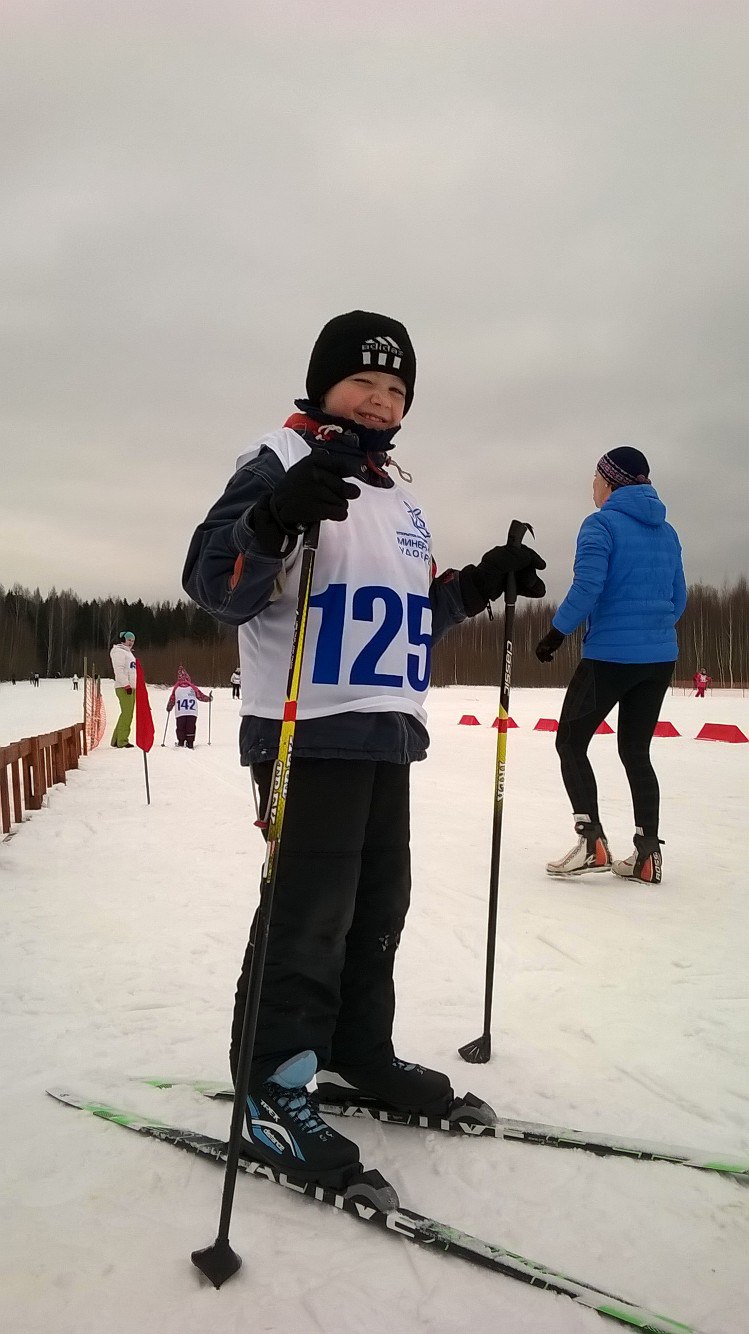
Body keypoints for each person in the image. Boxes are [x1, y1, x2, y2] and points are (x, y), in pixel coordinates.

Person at [183, 309, 546, 1186]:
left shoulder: (396, 491)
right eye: (363, 382)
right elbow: (213, 582)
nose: (380, 400)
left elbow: (408, 612)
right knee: (308, 913)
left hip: (385, 728)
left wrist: (476, 584)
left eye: (395, 388)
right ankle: (273, 1085)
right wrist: (271, 520)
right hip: (305, 728)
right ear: (323, 385)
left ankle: (355, 1052)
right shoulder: (278, 460)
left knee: (377, 905)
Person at [535, 446, 687, 886]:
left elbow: (588, 587)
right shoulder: (667, 531)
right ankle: (647, 855)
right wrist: (652, 630)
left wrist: (556, 633)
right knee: (636, 752)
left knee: (570, 742)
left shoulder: (600, 525)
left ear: (609, 481)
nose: (593, 487)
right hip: (659, 658)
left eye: (596, 478)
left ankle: (592, 842)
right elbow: (679, 597)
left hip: (610, 656)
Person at [165, 666, 212, 748]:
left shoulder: (176, 688)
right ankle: (190, 743)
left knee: (181, 727)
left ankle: (181, 742)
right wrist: (209, 699)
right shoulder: (193, 687)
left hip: (180, 712)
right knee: (191, 727)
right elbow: (200, 696)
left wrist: (169, 707)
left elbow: (172, 699)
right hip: (192, 711)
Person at [110, 631, 137, 747]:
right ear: (123, 640)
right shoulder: (119, 652)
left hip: (131, 687)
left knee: (126, 714)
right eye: (129, 640)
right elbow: (119, 670)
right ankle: (122, 740)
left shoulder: (129, 653)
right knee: (127, 714)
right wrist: (126, 685)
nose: (131, 642)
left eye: (133, 641)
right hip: (124, 687)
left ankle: (116, 739)